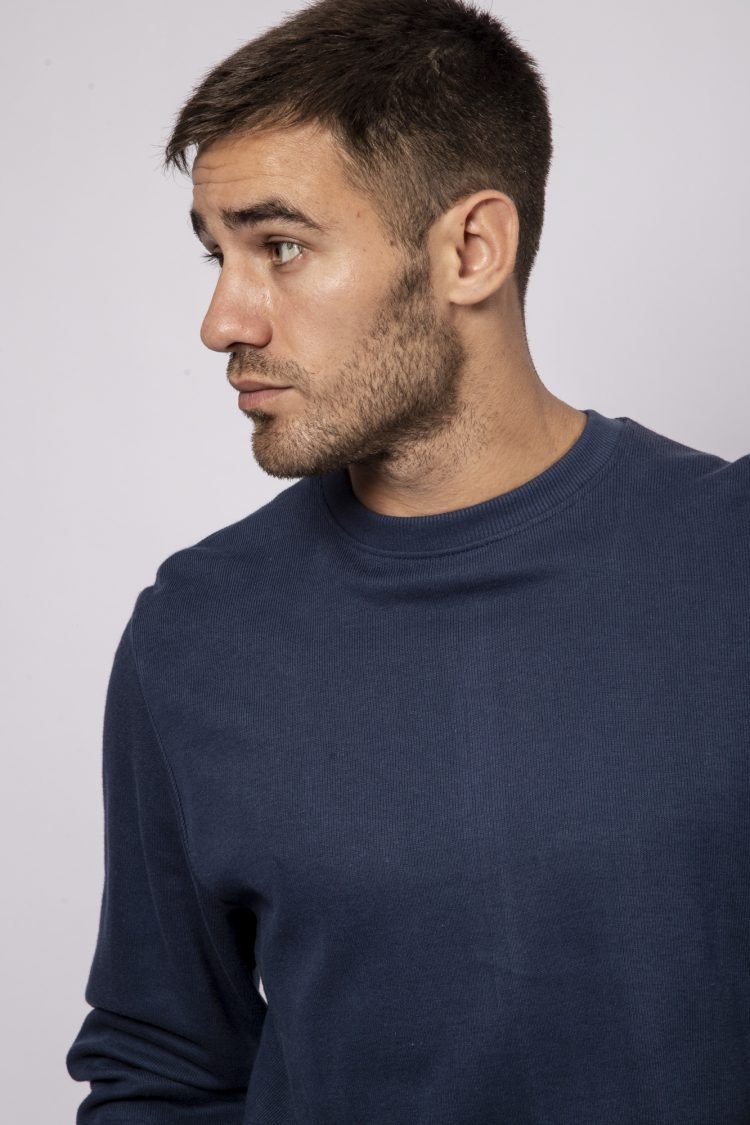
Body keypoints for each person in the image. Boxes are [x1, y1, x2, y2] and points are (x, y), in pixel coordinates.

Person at [66, 0, 750, 1121]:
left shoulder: (730, 557)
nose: (222, 321)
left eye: (280, 247)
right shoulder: (195, 630)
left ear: (470, 251)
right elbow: (163, 1065)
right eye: (217, 253)